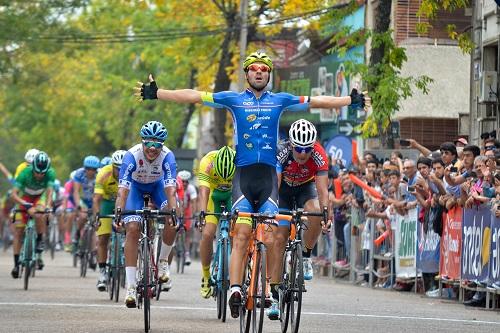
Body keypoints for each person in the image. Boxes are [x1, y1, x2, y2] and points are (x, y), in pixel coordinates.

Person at [134, 51, 367, 318]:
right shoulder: (233, 100)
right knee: (242, 234)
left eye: (264, 69)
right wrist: (158, 93)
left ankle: (266, 288)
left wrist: (350, 100)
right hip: (243, 178)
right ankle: (235, 288)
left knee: (269, 236)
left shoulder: (280, 101)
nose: (259, 72)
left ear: (268, 75)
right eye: (254, 68)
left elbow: (318, 102)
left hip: (268, 179)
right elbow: (195, 95)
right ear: (247, 73)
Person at [269, 119, 332, 319]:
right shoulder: (282, 152)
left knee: (315, 210)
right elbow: (275, 185)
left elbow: (322, 191)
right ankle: (275, 295)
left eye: (307, 149)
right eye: (299, 149)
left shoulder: (319, 155)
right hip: (284, 191)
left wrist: (326, 215)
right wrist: (271, 210)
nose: (303, 153)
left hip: (306, 188)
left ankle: (305, 255)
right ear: (291, 144)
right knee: (279, 238)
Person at [115, 121, 177, 308]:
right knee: (133, 228)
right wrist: (119, 211)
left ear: (162, 145)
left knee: (173, 216)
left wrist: (173, 211)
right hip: (135, 189)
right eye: (148, 143)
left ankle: (163, 261)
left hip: (158, 187)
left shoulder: (168, 157)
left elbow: (171, 189)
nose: (152, 148)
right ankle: (131, 286)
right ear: (142, 142)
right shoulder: (131, 156)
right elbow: (123, 191)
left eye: (157, 144)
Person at [197, 146, 235, 299]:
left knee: (238, 233)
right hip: (214, 195)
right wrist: (202, 214)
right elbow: (203, 192)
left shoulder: (239, 161)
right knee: (207, 234)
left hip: (233, 194)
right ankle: (206, 276)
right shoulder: (207, 162)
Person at [10, 152, 55, 277]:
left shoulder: (50, 173)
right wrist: (25, 204)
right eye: (37, 172)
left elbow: (50, 192)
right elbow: (13, 194)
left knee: (39, 213)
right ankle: (16, 265)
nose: (40, 175)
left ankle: (40, 239)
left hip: (39, 197)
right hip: (24, 198)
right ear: (33, 167)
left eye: (42, 173)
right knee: (18, 232)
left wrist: (47, 206)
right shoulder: (24, 173)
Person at [93, 150, 126, 292]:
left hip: (125, 202)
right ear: (112, 166)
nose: (120, 171)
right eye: (117, 168)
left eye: (122, 168)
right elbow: (96, 198)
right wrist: (97, 217)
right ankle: (102, 273)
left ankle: (124, 249)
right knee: (103, 238)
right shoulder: (103, 174)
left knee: (131, 229)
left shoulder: (131, 173)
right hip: (106, 202)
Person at [177, 169, 198, 266]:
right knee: (175, 229)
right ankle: (176, 244)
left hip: (187, 210)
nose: (184, 183)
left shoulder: (191, 188)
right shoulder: (177, 187)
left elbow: (194, 202)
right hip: (178, 209)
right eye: (183, 181)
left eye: (186, 181)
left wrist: (193, 215)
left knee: (188, 232)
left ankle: (187, 254)